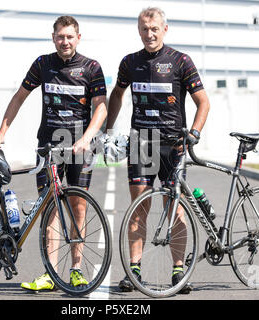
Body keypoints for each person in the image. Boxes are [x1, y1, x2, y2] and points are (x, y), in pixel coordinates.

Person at [0, 15, 107, 292]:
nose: (64, 41)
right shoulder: (43, 64)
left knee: (79, 208)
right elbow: (19, 97)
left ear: (79, 38)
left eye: (69, 36)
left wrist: (86, 138)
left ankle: (76, 270)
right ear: (53, 37)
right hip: (48, 146)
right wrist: (2, 132)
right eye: (60, 36)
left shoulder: (91, 67)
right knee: (49, 209)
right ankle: (50, 273)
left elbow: (101, 107)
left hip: (79, 147)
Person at [105, 7, 210, 293]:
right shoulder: (129, 62)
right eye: (143, 28)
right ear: (138, 30)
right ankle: (134, 270)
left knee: (175, 210)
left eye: (154, 28)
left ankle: (179, 271)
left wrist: (195, 133)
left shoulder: (181, 61)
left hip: (174, 146)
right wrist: (109, 130)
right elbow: (117, 93)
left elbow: (203, 102)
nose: (149, 34)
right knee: (138, 209)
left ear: (165, 29)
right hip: (142, 145)